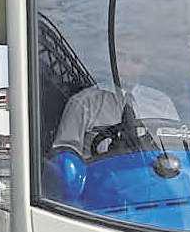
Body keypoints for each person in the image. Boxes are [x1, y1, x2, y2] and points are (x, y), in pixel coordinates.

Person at [51, 40, 180, 159]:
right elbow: (65, 155)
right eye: (121, 57)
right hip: (101, 175)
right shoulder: (84, 103)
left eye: (136, 60)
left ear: (146, 66)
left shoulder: (162, 104)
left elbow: (177, 152)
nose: (127, 65)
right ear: (109, 59)